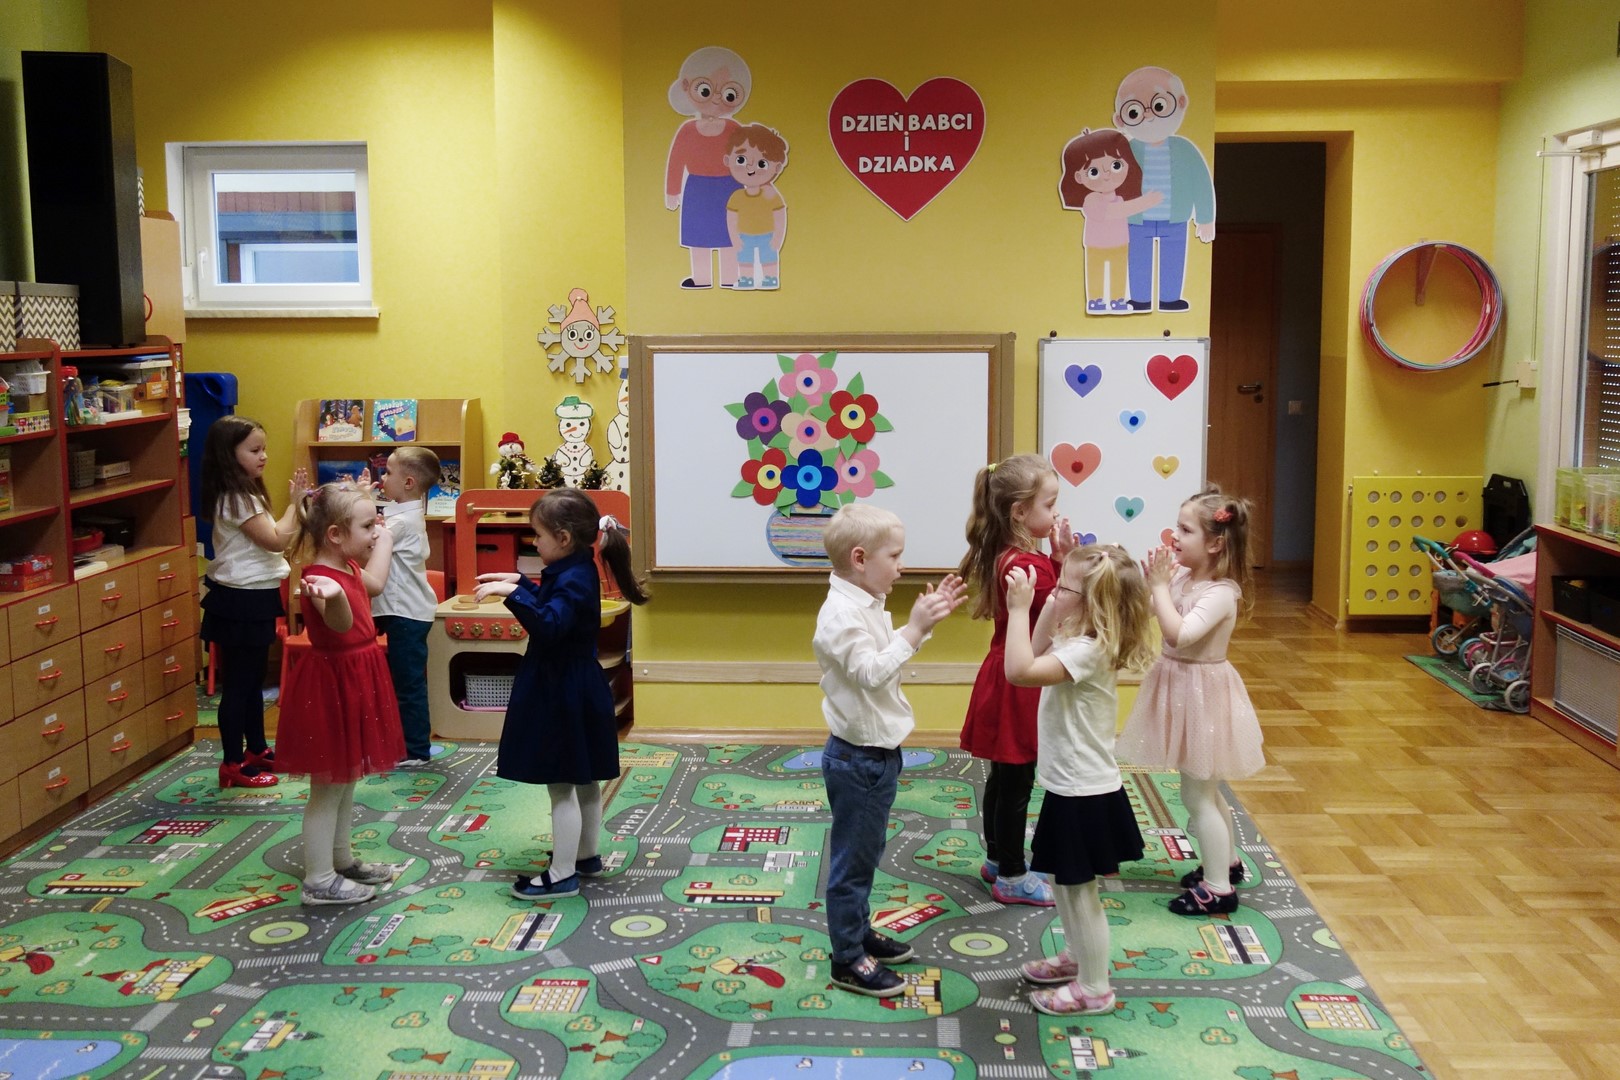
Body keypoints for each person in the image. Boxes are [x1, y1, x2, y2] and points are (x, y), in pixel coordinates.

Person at [813, 504, 967, 997]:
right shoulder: (841, 616)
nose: (901, 566)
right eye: (895, 556)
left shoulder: (866, 602)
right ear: (860, 558)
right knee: (852, 864)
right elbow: (871, 673)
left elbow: (882, 658)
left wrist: (922, 623)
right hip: (857, 759)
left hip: (875, 755)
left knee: (867, 852)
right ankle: (846, 958)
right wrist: (915, 628)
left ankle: (857, 932)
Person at [474, 489, 650, 899]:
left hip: (561, 689)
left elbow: (551, 625)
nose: (534, 542)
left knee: (562, 785)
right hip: (575, 684)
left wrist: (515, 595)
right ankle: (585, 856)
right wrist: (520, 583)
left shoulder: (572, 577)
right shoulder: (575, 568)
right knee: (582, 778)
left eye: (538, 535)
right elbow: (556, 608)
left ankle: (562, 874)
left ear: (564, 538)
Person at [1003, 544, 1155, 1015]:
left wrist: (1019, 610)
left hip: (1083, 791)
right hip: (1070, 784)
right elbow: (1037, 648)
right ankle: (1077, 957)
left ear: (1092, 605)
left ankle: (1095, 988)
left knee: (1079, 891)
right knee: (1063, 882)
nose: (1053, 593)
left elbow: (1019, 670)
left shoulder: (1088, 651)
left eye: (1063, 588)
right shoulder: (1078, 639)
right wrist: (1052, 603)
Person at [1116, 487, 1265, 915]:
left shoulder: (1220, 593)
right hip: (1181, 690)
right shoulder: (1183, 578)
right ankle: (1227, 863)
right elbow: (1148, 610)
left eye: (1185, 530)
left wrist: (1161, 587)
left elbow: (1179, 634)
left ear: (1215, 543)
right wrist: (1145, 584)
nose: (1174, 536)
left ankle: (1218, 889)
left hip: (1203, 696)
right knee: (1205, 789)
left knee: (1198, 796)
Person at [276, 482, 404, 905]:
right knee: (328, 787)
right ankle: (318, 880)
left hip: (355, 676)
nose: (374, 532)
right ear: (335, 534)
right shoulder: (318, 579)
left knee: (345, 779)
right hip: (332, 684)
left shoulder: (346, 565)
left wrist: (384, 537)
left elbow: (377, 583)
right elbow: (340, 624)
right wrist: (334, 599)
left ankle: (340, 860)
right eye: (367, 526)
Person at [957, 455, 1074, 906]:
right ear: (1020, 512)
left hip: (1003, 673)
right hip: (1019, 683)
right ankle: (1010, 874)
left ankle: (997, 858)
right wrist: (1064, 563)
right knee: (1017, 784)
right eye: (1049, 504)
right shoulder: (1030, 567)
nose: (1056, 513)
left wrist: (1056, 557)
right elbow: (1063, 612)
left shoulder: (1011, 555)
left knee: (1004, 779)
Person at [198, 416, 304, 790]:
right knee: (239, 685)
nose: (264, 457)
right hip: (238, 600)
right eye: (254, 450)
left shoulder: (246, 492)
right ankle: (232, 762)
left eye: (264, 449)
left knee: (253, 680)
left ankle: (256, 748)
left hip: (255, 595)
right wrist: (294, 505)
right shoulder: (236, 497)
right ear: (230, 455)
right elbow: (275, 540)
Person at [1113, 66, 1216, 311]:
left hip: (1176, 218)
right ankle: (1140, 298)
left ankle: (1169, 298)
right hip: (1137, 219)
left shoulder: (1185, 149)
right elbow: (1115, 183)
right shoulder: (1127, 150)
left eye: (1158, 105)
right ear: (1120, 120)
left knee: (1173, 257)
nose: (1149, 115)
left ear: (1180, 103)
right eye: (1135, 111)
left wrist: (1205, 218)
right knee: (1138, 258)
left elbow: (1201, 182)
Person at [374, 446, 441, 767]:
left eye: (388, 472)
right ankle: (402, 743)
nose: (382, 478)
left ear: (409, 482)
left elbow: (369, 544)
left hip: (406, 612)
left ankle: (415, 750)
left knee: (408, 683)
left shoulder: (401, 522)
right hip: (402, 611)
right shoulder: (400, 514)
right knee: (401, 680)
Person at [664, 46, 752, 289]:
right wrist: (672, 190)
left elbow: (744, 157)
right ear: (687, 88)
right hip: (697, 188)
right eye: (705, 90)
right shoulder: (687, 130)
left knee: (729, 233)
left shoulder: (734, 128)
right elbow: (676, 160)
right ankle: (701, 278)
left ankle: (730, 277)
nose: (715, 99)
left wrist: (751, 186)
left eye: (728, 94)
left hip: (729, 186)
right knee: (697, 234)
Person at [1058, 127, 1164, 313]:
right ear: (1079, 177)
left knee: (1119, 272)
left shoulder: (1120, 197)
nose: (1107, 175)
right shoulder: (1091, 200)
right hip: (1096, 245)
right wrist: (1144, 203)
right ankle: (1096, 300)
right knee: (1096, 272)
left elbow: (1120, 209)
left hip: (1120, 243)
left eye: (1115, 166)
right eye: (1094, 171)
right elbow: (1112, 212)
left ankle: (1117, 300)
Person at [724, 123, 789, 290]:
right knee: (744, 258)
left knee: (768, 257)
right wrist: (735, 239)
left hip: (767, 235)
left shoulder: (772, 195)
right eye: (741, 160)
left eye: (762, 164)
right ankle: (746, 279)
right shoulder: (736, 197)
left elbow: (780, 216)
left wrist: (777, 238)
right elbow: (731, 220)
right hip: (743, 236)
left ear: (777, 167)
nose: (750, 168)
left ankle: (770, 278)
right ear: (727, 160)